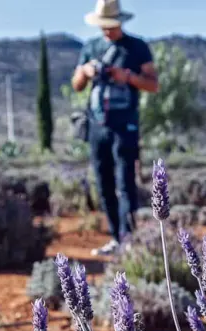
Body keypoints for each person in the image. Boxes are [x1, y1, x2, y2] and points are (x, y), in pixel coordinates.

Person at [72, 0, 159, 256]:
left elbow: (153, 84)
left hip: (125, 125)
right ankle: (114, 236)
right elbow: (76, 83)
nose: (106, 31)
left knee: (125, 182)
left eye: (110, 26)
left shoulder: (137, 47)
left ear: (120, 21)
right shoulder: (91, 48)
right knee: (103, 182)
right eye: (103, 26)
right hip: (97, 124)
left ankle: (128, 238)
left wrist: (127, 77)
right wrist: (86, 72)